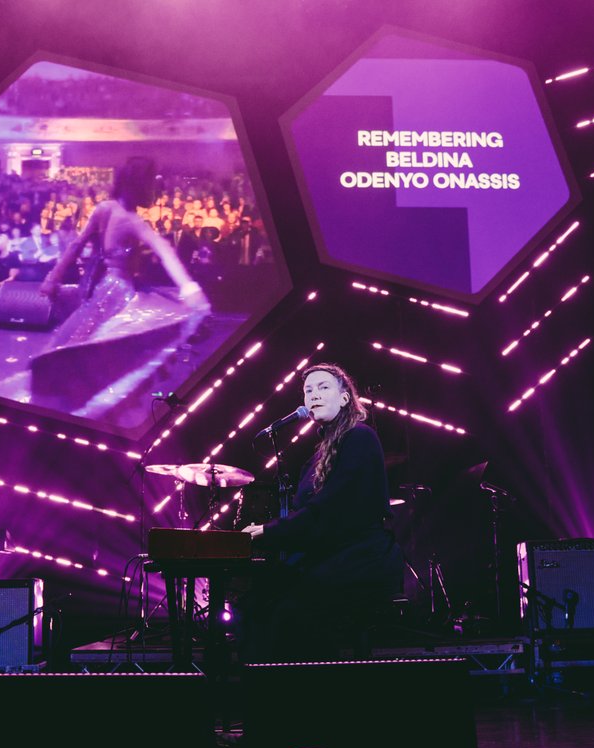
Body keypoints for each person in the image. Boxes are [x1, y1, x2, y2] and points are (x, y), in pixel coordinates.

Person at [239, 363, 404, 662]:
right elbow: (311, 514)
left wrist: (269, 532)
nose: (314, 394)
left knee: (288, 614)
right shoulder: (321, 452)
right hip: (332, 554)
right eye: (308, 390)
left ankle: (310, 694)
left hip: (361, 558)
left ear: (344, 398)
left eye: (323, 387)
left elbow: (330, 510)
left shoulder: (359, 438)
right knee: (256, 602)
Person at [38, 157, 209, 347]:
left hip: (97, 285)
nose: (155, 190)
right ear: (139, 185)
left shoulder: (105, 208)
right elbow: (164, 250)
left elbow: (76, 246)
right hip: (118, 294)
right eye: (152, 184)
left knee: (82, 347)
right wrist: (189, 288)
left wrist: (53, 278)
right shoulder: (132, 220)